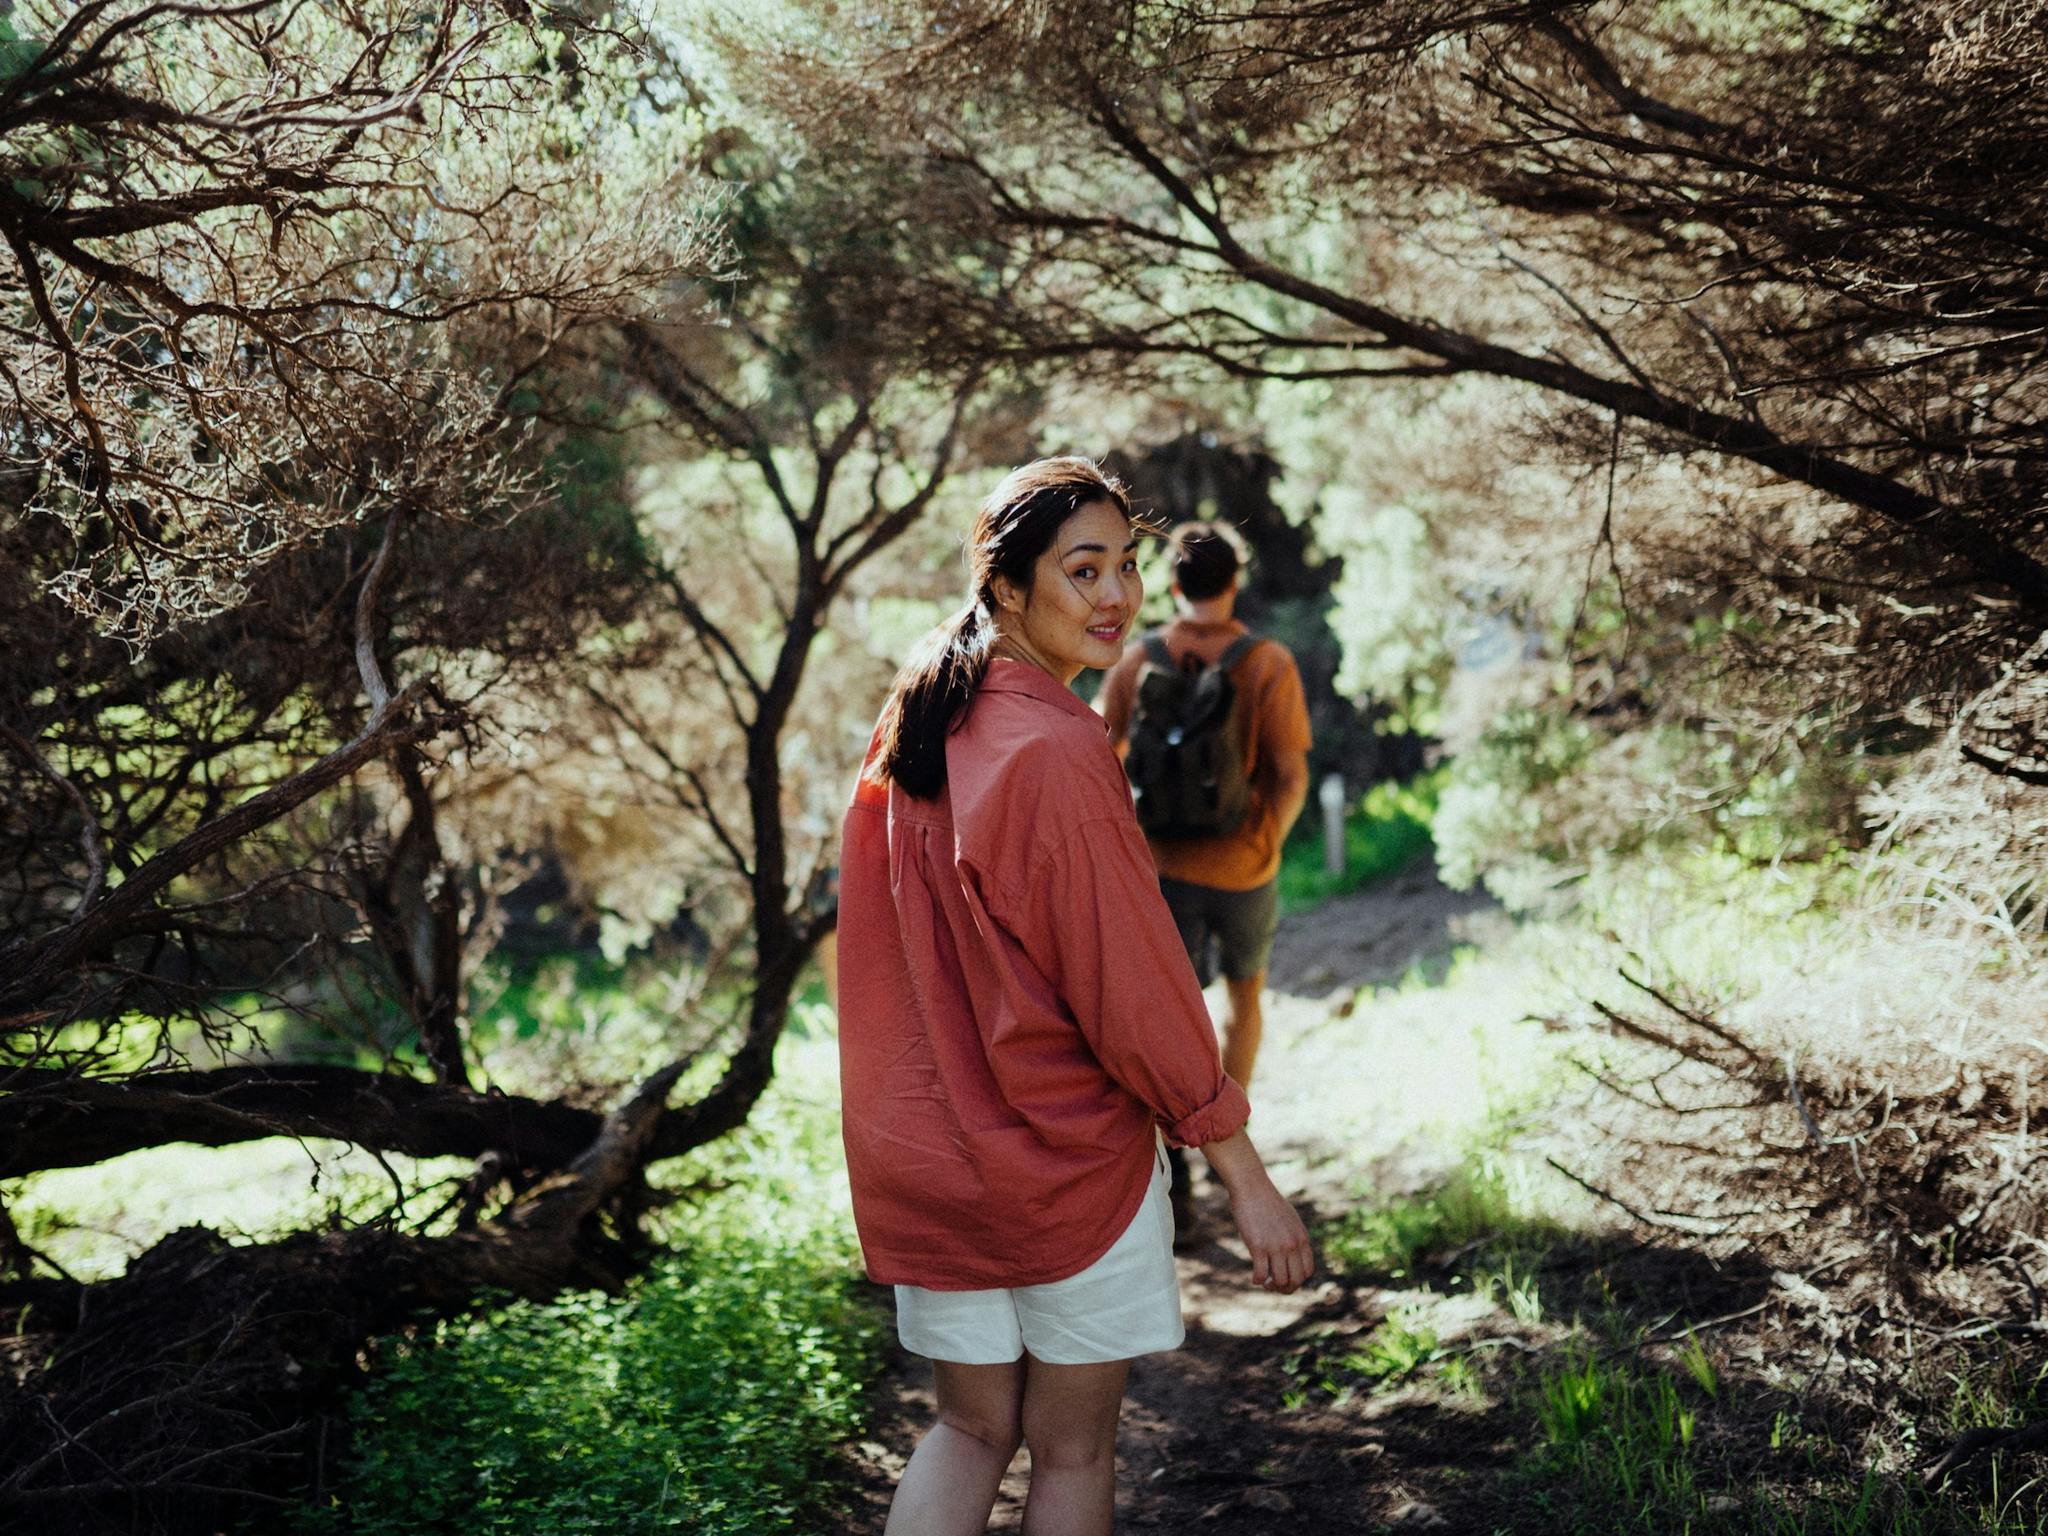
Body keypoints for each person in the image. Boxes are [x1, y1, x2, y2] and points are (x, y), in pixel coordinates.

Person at [838, 457, 1314, 1536]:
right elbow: (1132, 990)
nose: (1114, 597)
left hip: (928, 1159)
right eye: (1081, 569)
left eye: (1128, 567)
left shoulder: (914, 709)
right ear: (1006, 587)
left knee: (965, 1432)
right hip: (1062, 1169)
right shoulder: (1054, 747)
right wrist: (1240, 1170)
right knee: (1069, 1450)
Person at [1096, 522, 1312, 1241]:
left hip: (1159, 870)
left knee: (1167, 1019)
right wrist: (1264, 847)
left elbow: (1102, 757)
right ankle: (1231, 1151)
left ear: (1173, 583)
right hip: (1244, 868)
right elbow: (1290, 775)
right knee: (1242, 998)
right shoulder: (1268, 660)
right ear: (1234, 579)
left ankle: (1176, 1172)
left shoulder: (1138, 658)